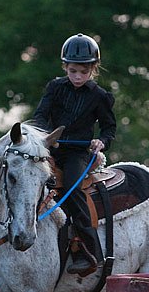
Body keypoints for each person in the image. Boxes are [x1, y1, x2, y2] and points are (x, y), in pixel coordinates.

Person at [32, 33, 116, 276]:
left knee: (72, 188)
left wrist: (102, 140)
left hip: (77, 154)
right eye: (73, 71)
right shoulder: (55, 88)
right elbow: (40, 116)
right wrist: (44, 136)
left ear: (93, 69)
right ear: (65, 67)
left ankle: (90, 251)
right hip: (50, 149)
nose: (78, 77)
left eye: (84, 72)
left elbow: (109, 127)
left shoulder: (100, 96)